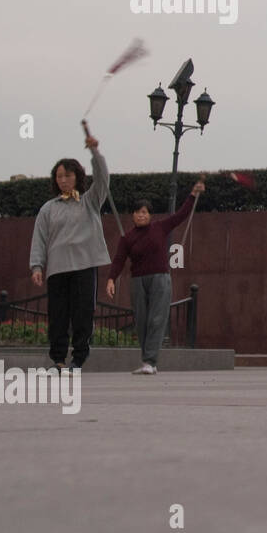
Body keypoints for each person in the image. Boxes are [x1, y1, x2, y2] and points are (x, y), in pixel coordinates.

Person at [29, 134, 110, 371]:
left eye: (68, 175)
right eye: (59, 176)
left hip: (85, 267)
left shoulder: (90, 201)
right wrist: (36, 266)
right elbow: (39, 238)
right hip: (57, 269)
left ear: (78, 177)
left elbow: (103, 179)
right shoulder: (48, 209)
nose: (63, 180)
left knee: (83, 313)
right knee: (58, 316)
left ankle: (79, 358)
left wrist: (96, 153)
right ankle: (58, 359)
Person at [105, 181, 205, 374]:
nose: (141, 215)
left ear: (150, 215)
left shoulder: (160, 227)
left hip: (160, 279)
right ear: (133, 215)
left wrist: (193, 194)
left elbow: (181, 215)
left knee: (157, 319)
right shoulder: (127, 238)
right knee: (141, 320)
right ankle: (147, 361)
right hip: (137, 281)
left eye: (145, 212)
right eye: (138, 212)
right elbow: (118, 260)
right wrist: (111, 279)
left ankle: (150, 361)